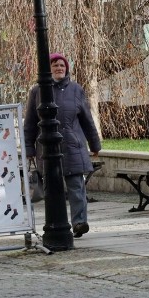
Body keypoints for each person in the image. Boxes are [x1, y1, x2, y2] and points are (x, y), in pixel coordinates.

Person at [24, 53, 101, 237]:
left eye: (62, 65)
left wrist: (95, 144)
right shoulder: (37, 91)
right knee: (52, 191)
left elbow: (86, 119)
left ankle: (79, 223)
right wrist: (29, 149)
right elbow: (30, 123)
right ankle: (55, 224)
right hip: (47, 150)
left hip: (72, 147)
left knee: (76, 187)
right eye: (55, 65)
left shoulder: (75, 90)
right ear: (48, 69)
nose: (59, 68)